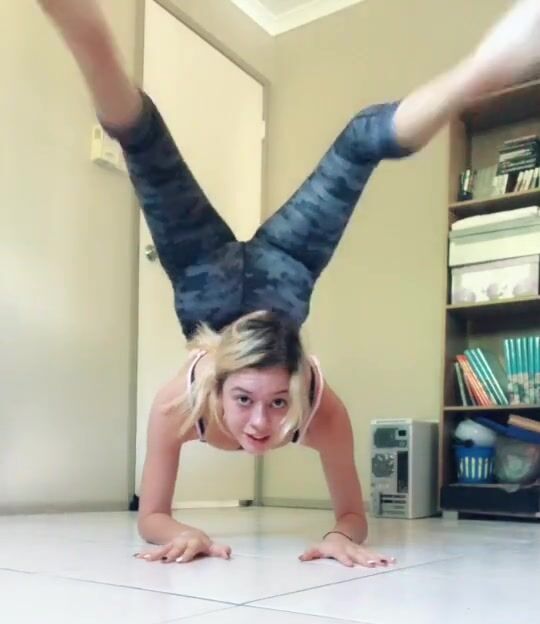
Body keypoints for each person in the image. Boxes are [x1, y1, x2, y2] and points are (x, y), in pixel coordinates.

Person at [38, 0, 540, 566]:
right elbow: (154, 515)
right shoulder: (182, 404)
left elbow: (350, 515)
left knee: (145, 144)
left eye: (280, 402)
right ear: (216, 386)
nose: (261, 422)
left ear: (300, 385)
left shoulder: (318, 410)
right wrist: (183, 531)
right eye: (245, 400)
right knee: (358, 141)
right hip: (285, 276)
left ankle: (483, 69)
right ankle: (85, 28)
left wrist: (341, 537)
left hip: (204, 280)